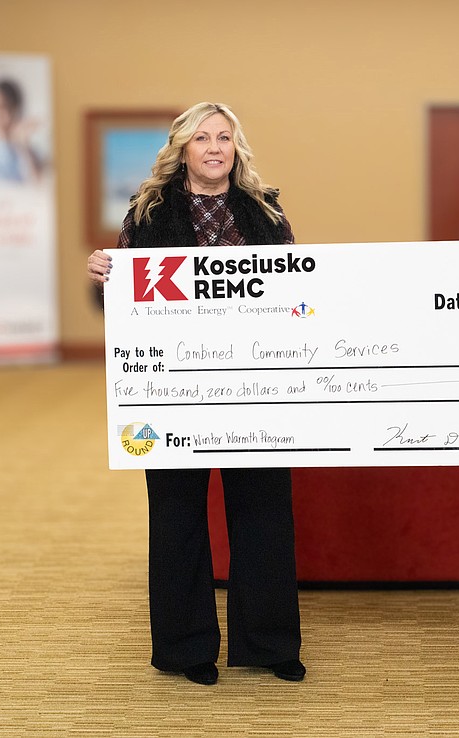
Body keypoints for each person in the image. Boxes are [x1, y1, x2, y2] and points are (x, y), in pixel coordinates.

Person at [86, 102, 304, 686]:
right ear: (181, 149)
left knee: (264, 513)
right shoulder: (149, 211)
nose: (214, 148)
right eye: (202, 138)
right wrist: (105, 276)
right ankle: (186, 649)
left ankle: (269, 643)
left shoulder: (265, 210)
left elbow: (298, 293)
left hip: (254, 385)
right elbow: (120, 302)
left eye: (224, 138)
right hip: (171, 389)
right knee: (178, 516)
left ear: (237, 147)